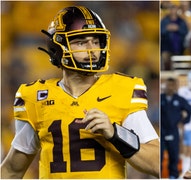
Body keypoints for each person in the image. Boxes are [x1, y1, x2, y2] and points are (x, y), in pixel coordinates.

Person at [0, 6, 159, 179]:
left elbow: (158, 164)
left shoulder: (121, 90)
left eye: (96, 41)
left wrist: (115, 134)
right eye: (81, 42)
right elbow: (12, 170)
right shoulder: (35, 97)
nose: (92, 49)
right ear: (58, 48)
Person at [161, 77, 191, 179]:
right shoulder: (160, 98)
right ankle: (160, 176)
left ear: (175, 86)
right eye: (168, 85)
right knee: (160, 155)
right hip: (161, 130)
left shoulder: (179, 100)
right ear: (164, 85)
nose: (169, 87)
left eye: (172, 85)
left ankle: (173, 176)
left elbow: (190, 110)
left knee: (174, 154)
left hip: (173, 130)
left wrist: (183, 122)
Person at [161, 2, 188, 70]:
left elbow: (185, 32)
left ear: (177, 9)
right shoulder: (164, 20)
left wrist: (178, 28)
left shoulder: (181, 21)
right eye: (171, 8)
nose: (172, 10)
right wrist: (167, 29)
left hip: (179, 46)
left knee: (178, 64)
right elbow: (161, 32)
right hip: (166, 46)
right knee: (165, 59)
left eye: (174, 8)